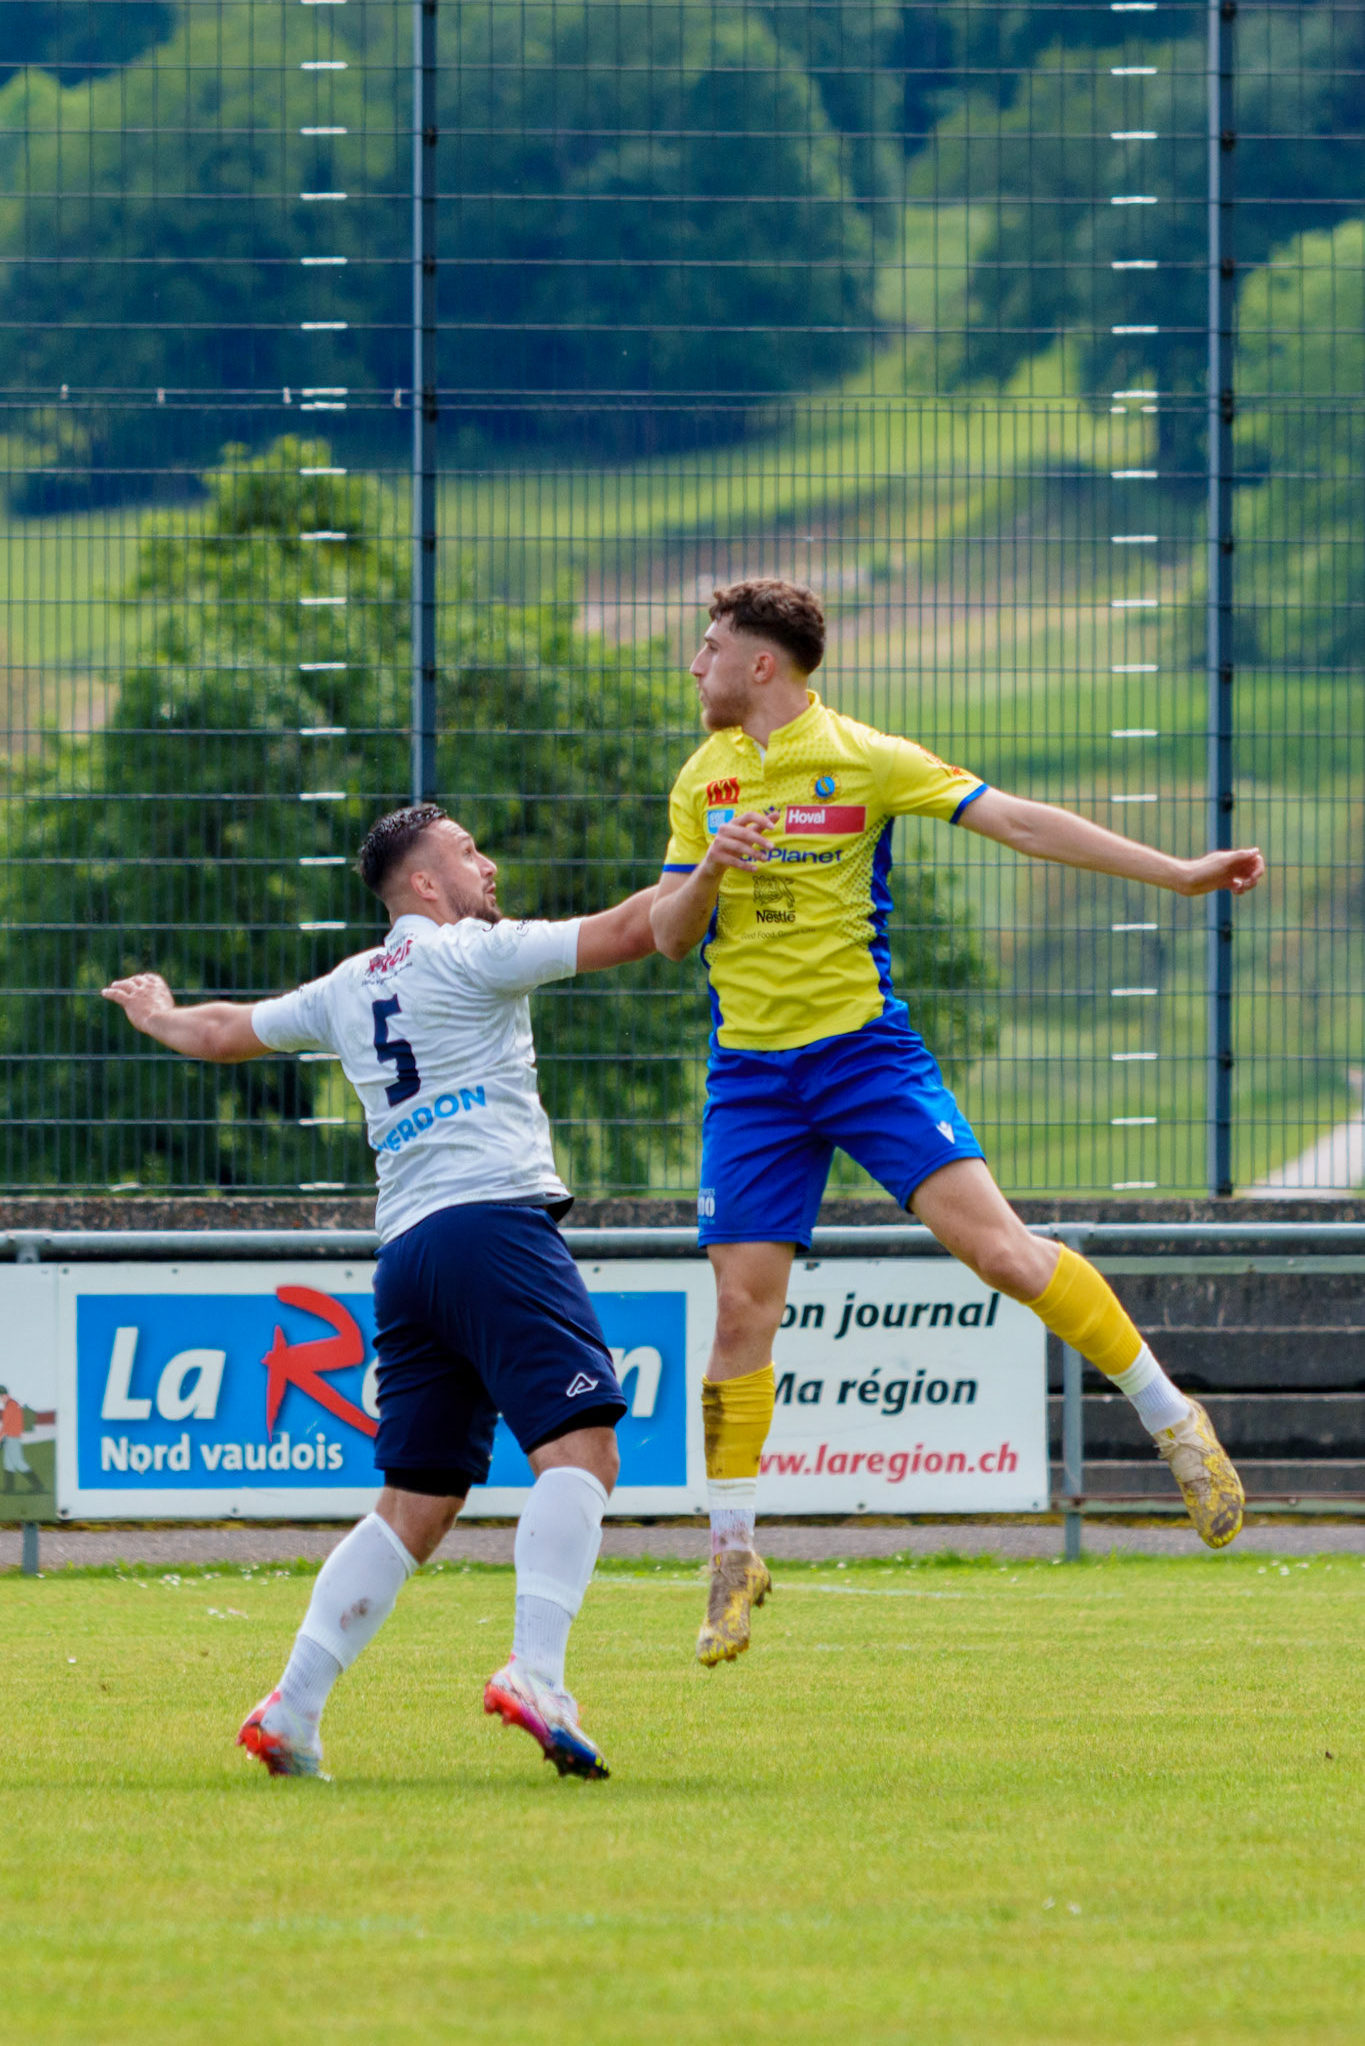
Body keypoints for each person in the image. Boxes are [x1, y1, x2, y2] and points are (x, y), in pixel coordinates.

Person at [652, 578, 1266, 1667]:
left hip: (861, 1054)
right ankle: (733, 1550)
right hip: (750, 1075)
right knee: (739, 1310)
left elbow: (1020, 821)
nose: (693, 665)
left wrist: (1177, 873)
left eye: (709, 649)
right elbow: (665, 932)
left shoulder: (867, 757)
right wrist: (710, 867)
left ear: (762, 666)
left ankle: (1174, 1419)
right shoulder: (704, 778)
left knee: (1002, 1252)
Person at [103, 803, 657, 1781]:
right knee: (583, 1449)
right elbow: (629, 928)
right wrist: (719, 862)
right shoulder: (476, 952)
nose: (488, 864)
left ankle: (294, 1707)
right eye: (468, 851)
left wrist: (157, 1014)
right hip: (492, 1223)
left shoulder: (354, 982)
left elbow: (230, 1029)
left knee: (419, 1499)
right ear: (427, 888)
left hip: (407, 1252)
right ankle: (537, 1673)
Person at [0, 1386, 44, 1494]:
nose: (1, 1399)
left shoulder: (11, 1406)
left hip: (12, 1437)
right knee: (8, 1463)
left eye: (1, 1396)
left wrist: (0, 1438)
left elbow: (5, 1426)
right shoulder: (12, 1405)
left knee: (18, 1462)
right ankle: (9, 1489)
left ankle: (38, 1486)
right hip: (10, 1437)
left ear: (6, 1395)